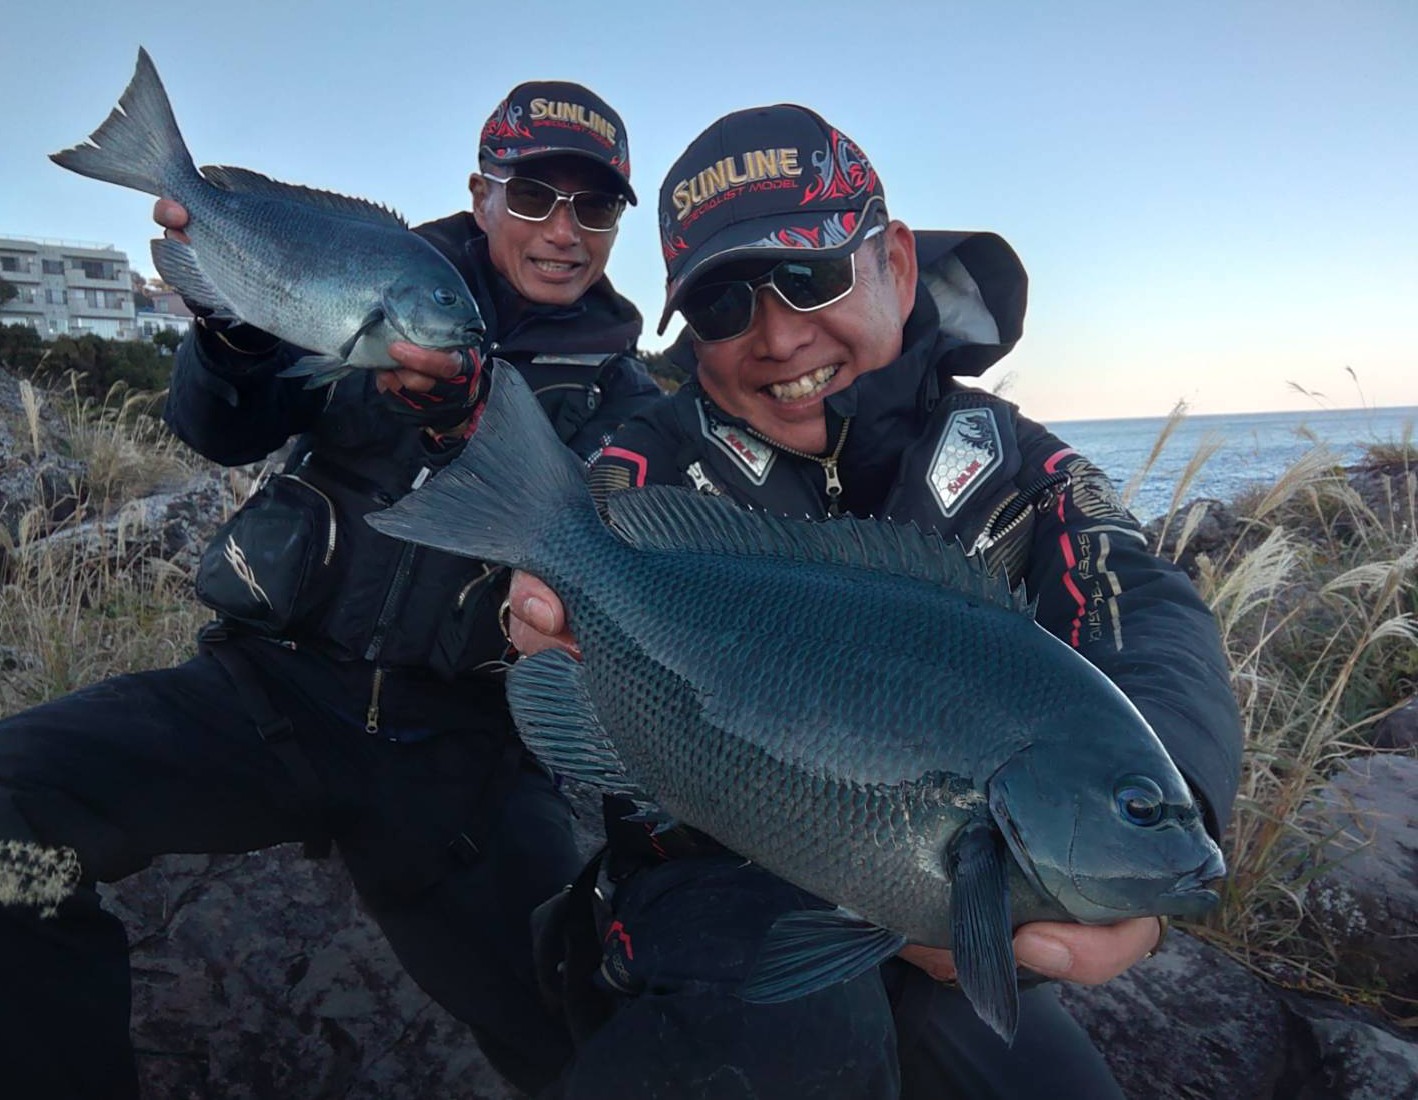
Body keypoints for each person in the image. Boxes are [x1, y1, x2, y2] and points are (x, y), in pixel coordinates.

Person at [504, 104, 1243, 1099]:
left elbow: (1142, 601)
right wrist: (533, 601)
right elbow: (565, 534)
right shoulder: (649, 458)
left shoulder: (1018, 462)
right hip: (707, 886)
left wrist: (1160, 805)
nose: (775, 334)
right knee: (786, 1051)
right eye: (722, 305)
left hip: (938, 925)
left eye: (809, 276)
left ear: (893, 259)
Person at [0, 80, 660, 1098]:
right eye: (533, 196)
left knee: (587, 1035)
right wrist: (232, 332)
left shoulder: (631, 394)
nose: (562, 229)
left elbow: (594, 559)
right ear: (480, 195)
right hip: (269, 692)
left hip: (463, 756)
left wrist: (470, 418)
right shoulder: (361, 267)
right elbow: (221, 428)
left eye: (594, 205)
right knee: (10, 815)